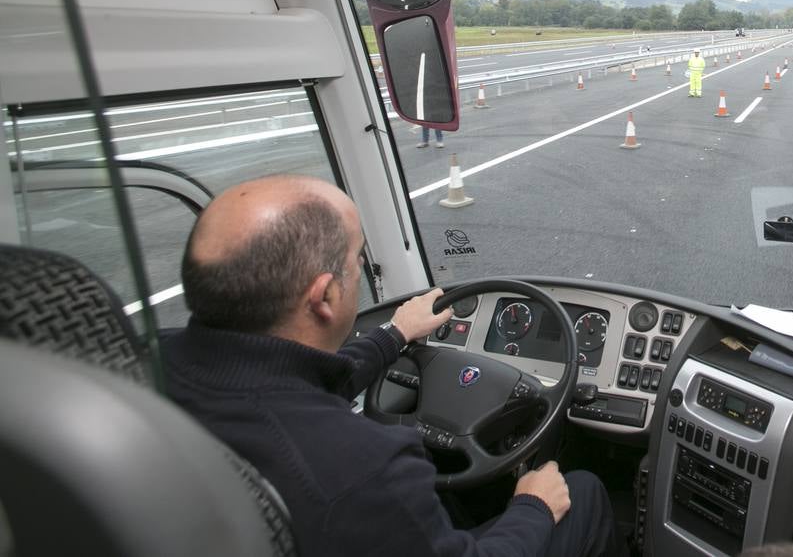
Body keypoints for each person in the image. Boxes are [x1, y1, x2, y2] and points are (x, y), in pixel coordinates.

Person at [161, 174, 623, 557]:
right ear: (325, 296)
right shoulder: (365, 466)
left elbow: (295, 380)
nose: (361, 266)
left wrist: (395, 334)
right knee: (581, 491)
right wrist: (532, 506)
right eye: (357, 258)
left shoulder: (155, 363)